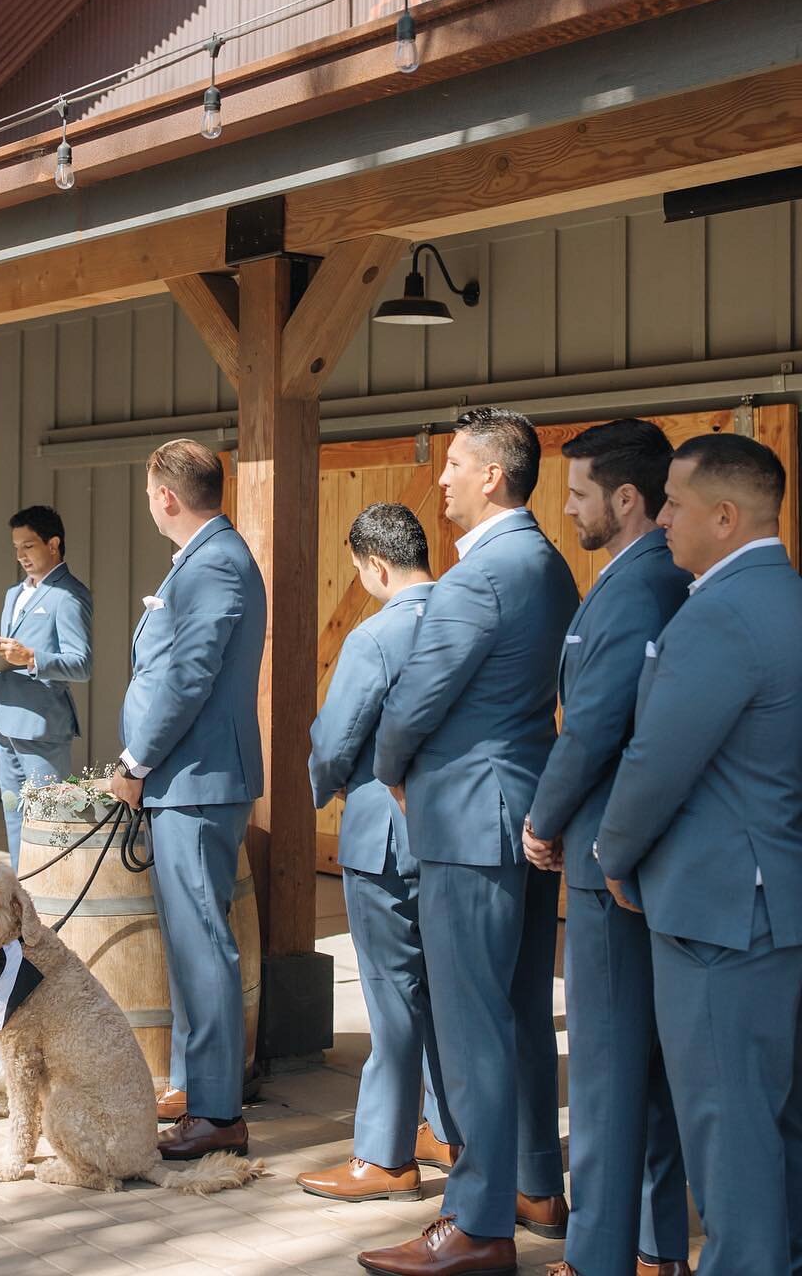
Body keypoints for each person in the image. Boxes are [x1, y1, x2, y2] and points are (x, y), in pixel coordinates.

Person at [364, 408, 579, 1276]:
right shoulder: (551, 565)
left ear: (494, 476)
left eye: (454, 464)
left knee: (470, 1024)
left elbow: (417, 694)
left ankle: (479, 1223)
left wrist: (391, 768)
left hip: (464, 815)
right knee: (520, 1009)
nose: (442, 478)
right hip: (523, 807)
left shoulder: (480, 574)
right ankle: (534, 1185)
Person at [597, 434, 802, 1276]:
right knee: (771, 1115)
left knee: (726, 1120)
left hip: (718, 908)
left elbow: (658, 760)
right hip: (770, 895)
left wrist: (614, 852)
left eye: (676, 503)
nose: (663, 516)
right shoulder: (785, 597)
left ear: (725, 516)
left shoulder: (718, 613)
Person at [522, 421, 691, 1276]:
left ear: (627, 500)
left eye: (579, 492)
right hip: (627, 856)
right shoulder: (645, 578)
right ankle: (657, 1249)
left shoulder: (636, 588)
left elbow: (592, 729)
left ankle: (600, 1258)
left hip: (603, 859)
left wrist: (543, 822)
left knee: (605, 1071)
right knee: (643, 1070)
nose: (568, 506)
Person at [108, 438, 266, 1161]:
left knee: (203, 943)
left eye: (148, 493)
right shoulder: (205, 561)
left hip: (195, 780)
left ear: (166, 496)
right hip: (188, 779)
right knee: (188, 942)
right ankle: (195, 1084)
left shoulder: (215, 565)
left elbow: (188, 677)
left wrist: (137, 761)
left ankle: (216, 1112)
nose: (148, 504)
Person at [298, 503, 457, 1204]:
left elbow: (336, 741)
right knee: (448, 993)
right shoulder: (468, 619)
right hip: (456, 833)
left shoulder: (375, 636)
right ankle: (446, 1129)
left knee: (393, 1000)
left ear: (375, 565)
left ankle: (384, 1155)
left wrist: (324, 784)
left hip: (385, 836)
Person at [0, 503, 92, 866]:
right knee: (15, 819)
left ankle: (54, 904)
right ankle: (22, 899)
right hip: (6, 724)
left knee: (50, 821)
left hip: (43, 728)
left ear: (53, 544)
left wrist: (31, 657)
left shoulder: (68, 595)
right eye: (16, 548)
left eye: (28, 546)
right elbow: (4, 660)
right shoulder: (14, 594)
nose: (21, 555)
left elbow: (82, 664)